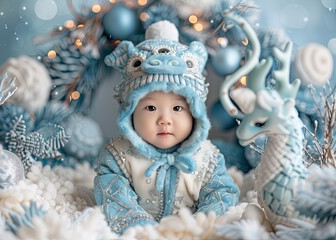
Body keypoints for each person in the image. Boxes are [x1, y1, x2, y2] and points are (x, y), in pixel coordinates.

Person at [94, 20, 239, 234]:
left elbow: (223, 193)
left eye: (178, 109)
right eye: (151, 107)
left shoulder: (207, 158)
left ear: (195, 114)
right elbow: (112, 195)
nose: (165, 119)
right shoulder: (118, 157)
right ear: (130, 112)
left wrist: (198, 225)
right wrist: (139, 228)